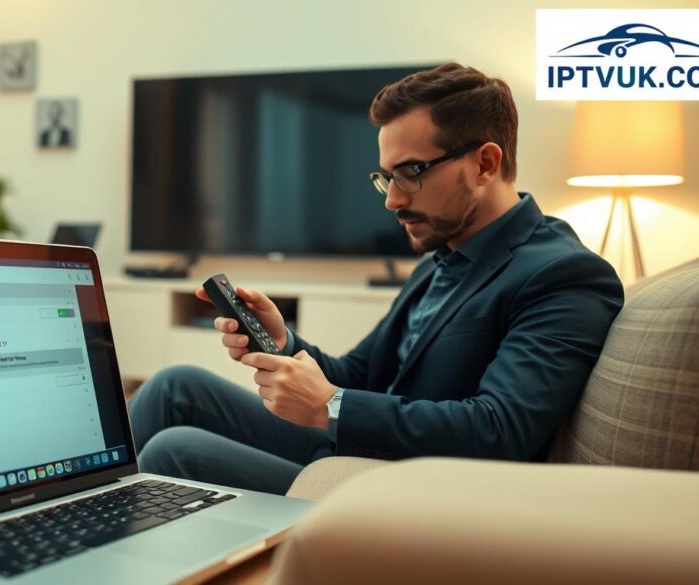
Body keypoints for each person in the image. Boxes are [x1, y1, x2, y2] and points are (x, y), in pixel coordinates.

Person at [127, 63, 624, 495]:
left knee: (177, 450)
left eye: (411, 172)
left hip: (412, 484)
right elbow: (362, 375)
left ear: (485, 163)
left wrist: (330, 407)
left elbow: (499, 429)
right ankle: (59, 515)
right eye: (386, 177)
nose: (391, 200)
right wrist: (283, 341)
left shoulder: (562, 274)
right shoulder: (438, 256)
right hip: (369, 444)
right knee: (176, 385)